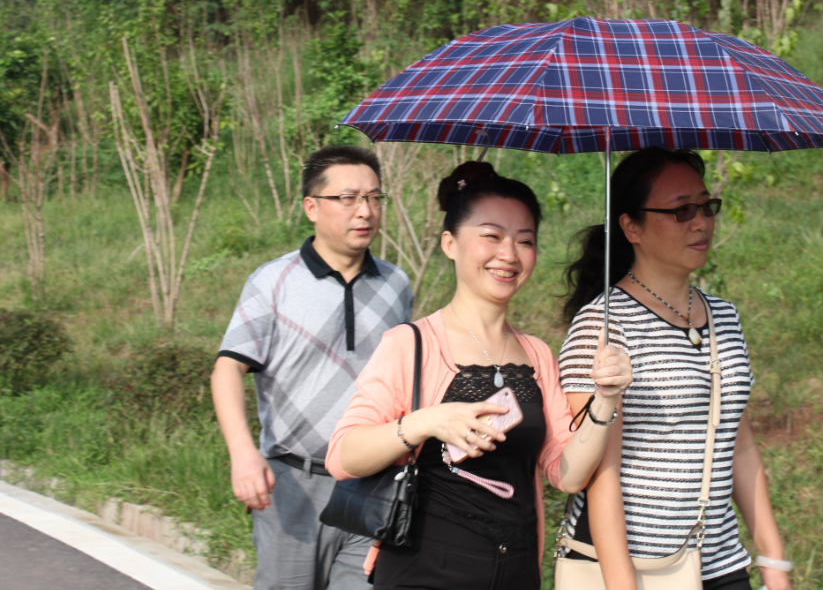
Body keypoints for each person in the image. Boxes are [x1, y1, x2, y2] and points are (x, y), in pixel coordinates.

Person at [325, 161, 633, 590]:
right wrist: (427, 422)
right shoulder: (411, 344)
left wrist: (605, 399)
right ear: (450, 243)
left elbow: (568, 474)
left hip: (516, 573)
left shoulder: (537, 355)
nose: (509, 254)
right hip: (423, 571)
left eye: (525, 241)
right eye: (491, 236)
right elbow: (342, 456)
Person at [559, 147, 792, 590]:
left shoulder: (724, 317)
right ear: (631, 227)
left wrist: (774, 562)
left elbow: (739, 446)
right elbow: (600, 476)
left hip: (720, 563)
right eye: (681, 210)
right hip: (638, 569)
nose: (701, 222)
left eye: (706, 206)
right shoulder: (602, 327)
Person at [211, 145, 413, 590]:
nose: (365, 211)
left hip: (373, 484)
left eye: (374, 198)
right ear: (311, 208)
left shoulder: (396, 284)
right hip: (293, 484)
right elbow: (227, 369)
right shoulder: (273, 282)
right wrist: (242, 454)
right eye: (348, 198)